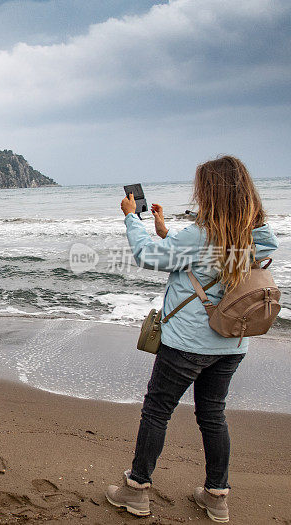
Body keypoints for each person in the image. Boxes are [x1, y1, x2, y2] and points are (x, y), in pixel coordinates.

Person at [104, 156, 279, 523]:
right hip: (232, 343)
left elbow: (147, 255)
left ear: (209, 192)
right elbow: (209, 259)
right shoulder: (258, 236)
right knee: (213, 414)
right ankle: (217, 497)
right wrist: (166, 230)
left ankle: (135, 490)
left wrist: (132, 217)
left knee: (157, 410)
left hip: (187, 344)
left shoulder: (200, 235)